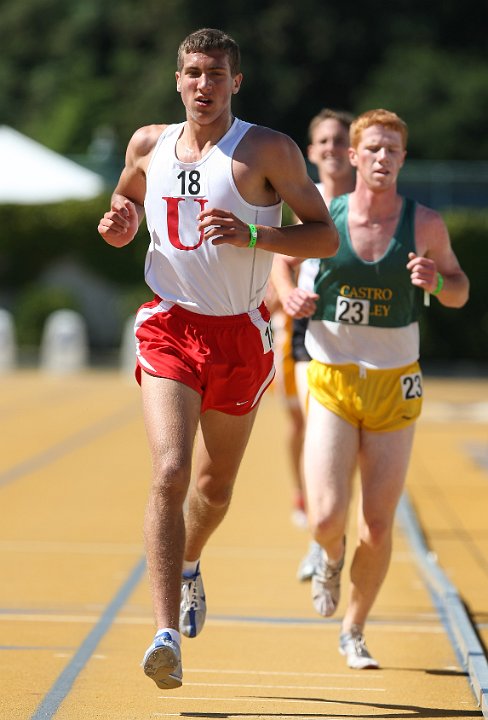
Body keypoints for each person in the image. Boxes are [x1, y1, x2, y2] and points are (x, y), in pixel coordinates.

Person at [97, 27, 339, 691]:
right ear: (178, 80)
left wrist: (256, 232)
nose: (204, 85)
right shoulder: (149, 144)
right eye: (193, 73)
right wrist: (117, 221)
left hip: (240, 336)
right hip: (169, 325)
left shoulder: (267, 149)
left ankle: (191, 561)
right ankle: (165, 633)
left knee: (214, 487)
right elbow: (124, 198)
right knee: (171, 468)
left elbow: (323, 235)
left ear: (237, 82)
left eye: (217, 74)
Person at [272, 108, 469, 669]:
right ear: (353, 158)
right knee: (328, 515)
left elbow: (459, 287)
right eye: (373, 150)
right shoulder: (325, 219)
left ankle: (354, 629)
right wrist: (288, 296)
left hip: (394, 386)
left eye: (393, 151)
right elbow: (281, 263)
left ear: (403, 159)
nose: (383, 159)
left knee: (378, 527)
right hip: (333, 378)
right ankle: (327, 553)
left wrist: (438, 282)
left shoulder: (424, 223)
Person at [289, 109, 356, 578]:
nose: (331, 149)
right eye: (323, 142)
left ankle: (327, 522)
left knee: (343, 438)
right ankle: (321, 525)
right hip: (306, 331)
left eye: (339, 140)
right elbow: (277, 253)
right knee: (312, 424)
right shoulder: (301, 199)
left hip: (357, 335)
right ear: (310, 152)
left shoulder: (369, 203)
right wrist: (286, 290)